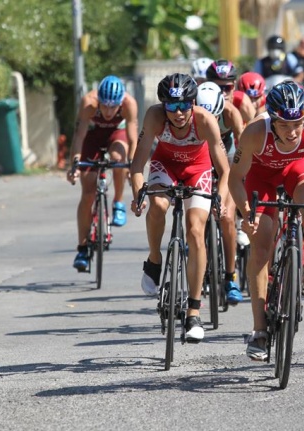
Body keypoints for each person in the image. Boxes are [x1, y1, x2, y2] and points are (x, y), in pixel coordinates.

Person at [228, 81, 304, 360]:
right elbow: (235, 178)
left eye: (297, 123)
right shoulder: (256, 131)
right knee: (261, 245)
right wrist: (247, 213)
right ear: (272, 118)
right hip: (262, 176)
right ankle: (259, 330)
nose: (292, 131)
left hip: (297, 168)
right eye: (284, 125)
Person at [130, 73, 230, 343]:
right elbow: (138, 164)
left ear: (192, 103)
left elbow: (224, 169)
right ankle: (154, 260)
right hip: (166, 166)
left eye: (184, 105)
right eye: (171, 107)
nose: (178, 113)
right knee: (158, 205)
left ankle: (194, 312)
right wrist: (138, 192)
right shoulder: (154, 116)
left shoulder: (205, 120)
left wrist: (220, 198)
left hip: (198, 170)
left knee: (196, 230)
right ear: (163, 106)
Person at [67, 75, 138, 272]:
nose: (107, 111)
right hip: (93, 135)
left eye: (112, 106)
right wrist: (74, 165)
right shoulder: (89, 103)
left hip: (118, 134)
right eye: (104, 106)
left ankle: (118, 202)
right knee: (88, 191)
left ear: (120, 102)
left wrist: (133, 167)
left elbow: (133, 139)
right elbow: (79, 135)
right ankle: (82, 247)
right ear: (98, 100)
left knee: (118, 157)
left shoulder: (128, 104)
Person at [195, 82, 245, 305]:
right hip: (202, 155)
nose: (211, 123)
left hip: (229, 155)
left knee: (226, 217)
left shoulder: (231, 112)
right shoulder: (191, 113)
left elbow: (244, 148)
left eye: (215, 117)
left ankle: (230, 277)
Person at [206, 59, 255, 124]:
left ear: (234, 86)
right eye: (218, 88)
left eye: (227, 88)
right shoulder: (200, 103)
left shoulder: (242, 103)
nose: (223, 93)